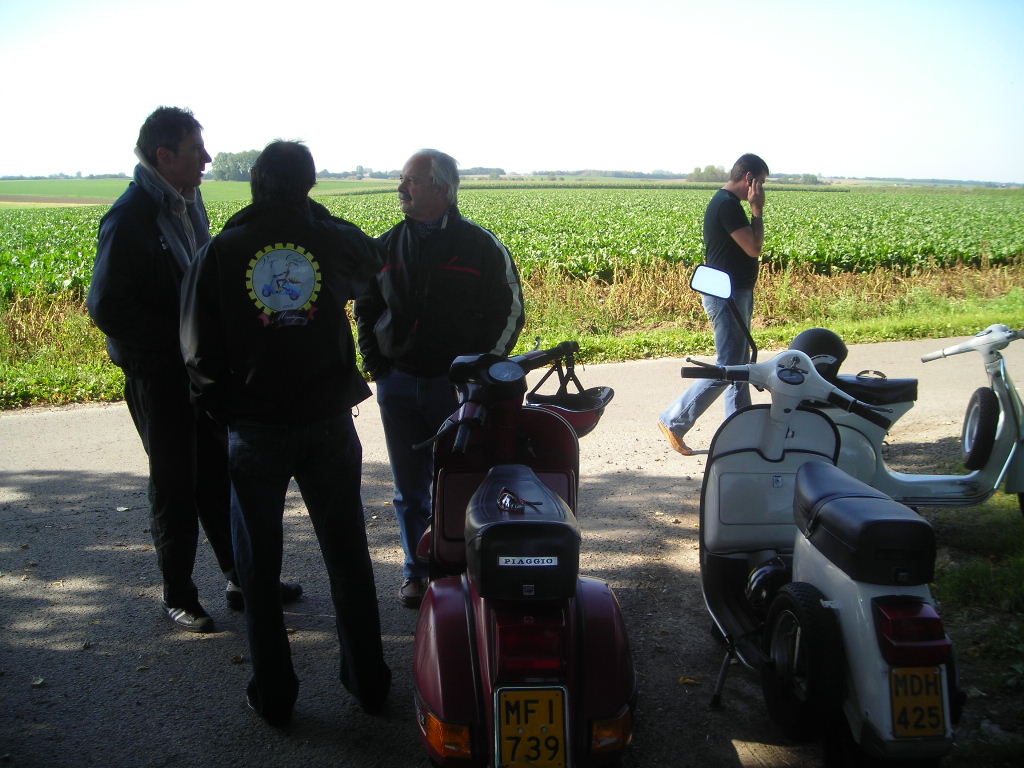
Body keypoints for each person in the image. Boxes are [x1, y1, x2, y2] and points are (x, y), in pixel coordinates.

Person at [180, 140, 391, 726]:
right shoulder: (329, 239)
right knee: (347, 554)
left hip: (255, 426)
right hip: (327, 420)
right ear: (310, 186)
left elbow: (196, 351)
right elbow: (371, 261)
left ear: (254, 183)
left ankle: (274, 696)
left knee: (257, 567)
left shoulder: (221, 250)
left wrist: (223, 410)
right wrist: (310, 216)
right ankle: (369, 683)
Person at [86, 106, 300, 634]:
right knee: (175, 483)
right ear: (165, 156)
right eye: (196, 149)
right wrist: (177, 341)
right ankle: (179, 595)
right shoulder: (130, 216)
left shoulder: (188, 202)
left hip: (199, 370)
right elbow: (107, 306)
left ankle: (241, 579)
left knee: (218, 475)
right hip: (160, 375)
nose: (207, 158)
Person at [354, 149, 525, 608]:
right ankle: (417, 571)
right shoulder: (386, 246)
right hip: (398, 384)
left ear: (442, 189)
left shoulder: (480, 246)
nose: (401, 188)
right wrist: (378, 366)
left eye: (411, 180)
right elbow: (366, 309)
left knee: (463, 482)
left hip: (457, 390)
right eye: (402, 179)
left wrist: (481, 370)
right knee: (409, 491)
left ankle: (462, 568)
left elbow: (510, 310)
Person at [658, 153, 769, 455]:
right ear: (749, 178)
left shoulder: (728, 204)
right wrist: (757, 210)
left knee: (739, 367)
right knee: (729, 367)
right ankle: (674, 419)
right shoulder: (727, 206)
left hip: (733, 293)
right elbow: (754, 247)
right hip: (726, 295)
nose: (762, 189)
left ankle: (739, 434)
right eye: (761, 182)